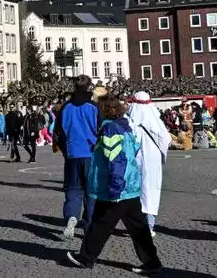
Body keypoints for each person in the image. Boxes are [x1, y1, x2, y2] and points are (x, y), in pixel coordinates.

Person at [65, 95, 162, 274]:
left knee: (100, 224)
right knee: (137, 226)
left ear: (104, 111)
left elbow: (116, 158)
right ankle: (151, 261)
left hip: (116, 188)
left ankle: (86, 258)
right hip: (130, 186)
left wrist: (116, 186)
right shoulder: (125, 126)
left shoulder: (110, 129)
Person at [55, 75, 100, 239]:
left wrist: (66, 152)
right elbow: (100, 130)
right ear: (89, 87)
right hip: (90, 153)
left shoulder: (66, 107)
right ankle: (89, 226)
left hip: (72, 152)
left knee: (73, 189)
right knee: (91, 192)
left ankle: (71, 216)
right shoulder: (94, 107)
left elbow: (58, 133)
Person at [126, 92, 171, 236]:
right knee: (151, 190)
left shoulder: (129, 121)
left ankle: (136, 225)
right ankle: (149, 226)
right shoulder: (155, 121)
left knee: (135, 191)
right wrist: (161, 155)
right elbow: (166, 139)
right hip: (152, 160)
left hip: (135, 159)